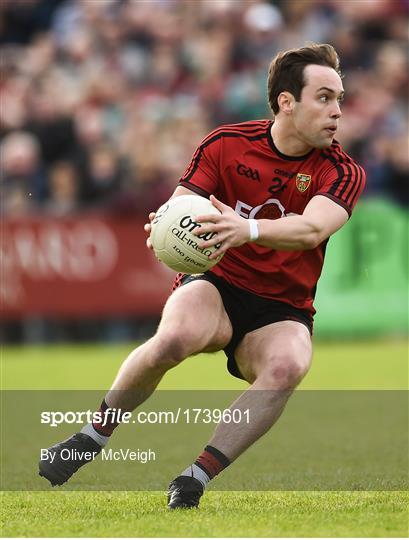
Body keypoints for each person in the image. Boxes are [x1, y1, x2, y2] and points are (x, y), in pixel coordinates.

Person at [39, 43, 366, 508]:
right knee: (175, 338)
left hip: (281, 306)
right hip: (217, 281)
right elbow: (180, 208)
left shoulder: (342, 170)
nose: (337, 111)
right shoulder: (226, 143)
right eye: (324, 97)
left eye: (340, 99)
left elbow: (313, 229)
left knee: (290, 364)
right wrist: (164, 229)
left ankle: (195, 477)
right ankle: (92, 435)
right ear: (286, 102)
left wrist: (245, 227)